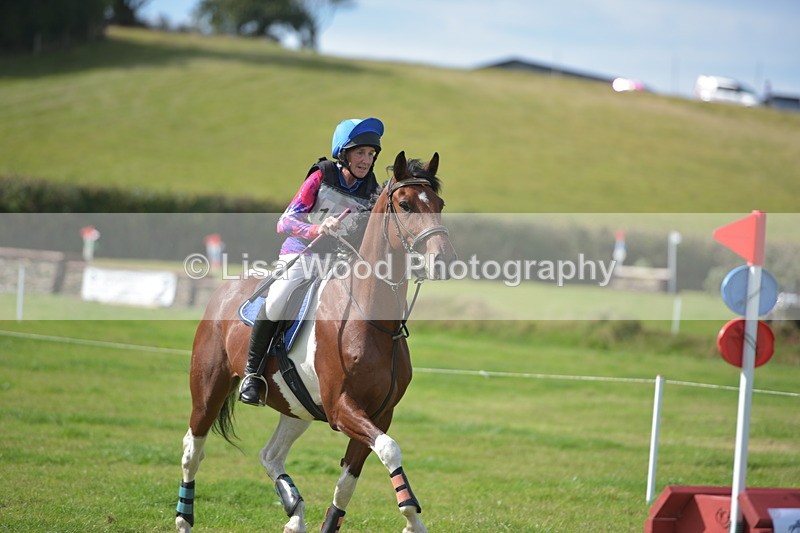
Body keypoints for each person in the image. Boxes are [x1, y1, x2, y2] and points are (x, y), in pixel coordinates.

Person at [239, 117, 384, 406]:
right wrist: (315, 229)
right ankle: (252, 375)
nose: (366, 160)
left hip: (338, 261)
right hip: (301, 252)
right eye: (360, 153)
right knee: (279, 297)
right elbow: (285, 221)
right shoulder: (321, 176)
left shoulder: (372, 189)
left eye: (370, 154)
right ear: (343, 153)